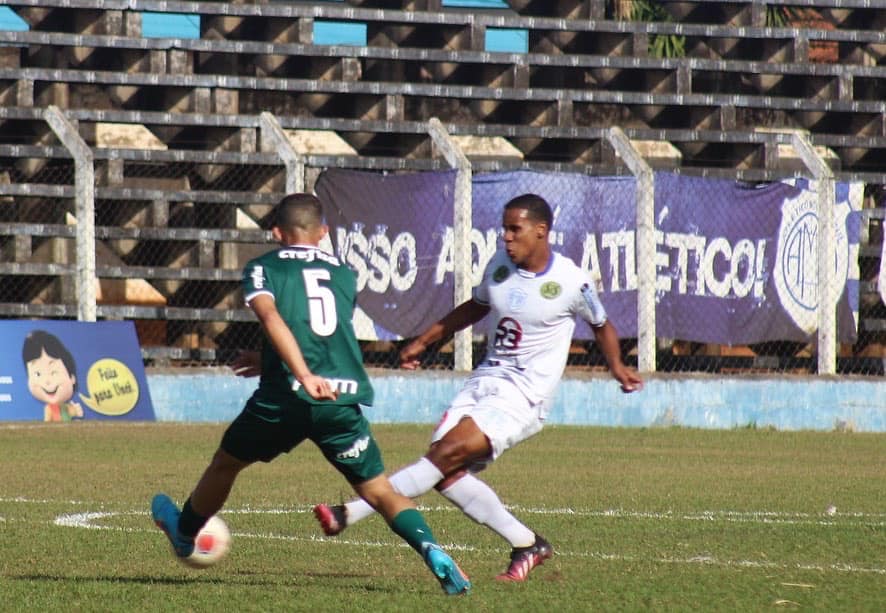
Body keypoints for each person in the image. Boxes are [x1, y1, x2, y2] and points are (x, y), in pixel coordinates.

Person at [151, 193, 470, 596]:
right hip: (339, 399)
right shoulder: (342, 272)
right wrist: (272, 360)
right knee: (378, 490)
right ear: (324, 233)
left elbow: (272, 317)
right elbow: (321, 331)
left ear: (276, 232)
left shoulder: (262, 268)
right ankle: (432, 550)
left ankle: (184, 533)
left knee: (225, 463)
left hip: (286, 397)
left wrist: (299, 374)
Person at [313, 193, 643, 582]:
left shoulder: (571, 280)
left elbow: (601, 324)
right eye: (504, 229)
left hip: (524, 395)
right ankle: (527, 543)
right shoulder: (501, 265)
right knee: (445, 474)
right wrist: (426, 340)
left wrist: (618, 366)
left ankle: (349, 513)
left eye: (514, 229)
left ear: (541, 231)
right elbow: (476, 306)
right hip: (484, 381)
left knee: (445, 455)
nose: (506, 237)